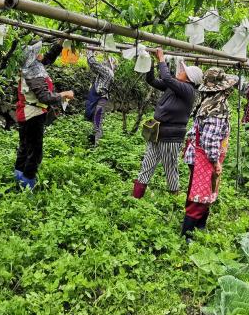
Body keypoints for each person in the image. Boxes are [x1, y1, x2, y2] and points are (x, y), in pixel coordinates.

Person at [133, 48, 203, 198]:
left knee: (170, 168)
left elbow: (167, 78)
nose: (180, 71)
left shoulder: (188, 90)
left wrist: (161, 58)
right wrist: (150, 63)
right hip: (157, 131)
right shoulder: (175, 86)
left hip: (171, 135)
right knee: (147, 163)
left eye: (184, 71)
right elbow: (151, 80)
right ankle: (136, 196)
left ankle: (174, 198)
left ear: (190, 78)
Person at [181, 67, 238, 241]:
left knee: (204, 193)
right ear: (223, 89)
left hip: (198, 155)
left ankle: (199, 225)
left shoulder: (209, 102)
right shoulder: (217, 108)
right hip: (204, 157)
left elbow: (195, 130)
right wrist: (215, 162)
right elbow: (210, 139)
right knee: (198, 196)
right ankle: (187, 234)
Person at [14, 40, 74, 189]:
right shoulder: (32, 72)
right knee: (34, 151)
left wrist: (59, 44)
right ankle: (27, 185)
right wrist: (63, 95)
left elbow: (47, 58)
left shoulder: (32, 66)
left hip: (27, 112)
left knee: (25, 147)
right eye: (36, 52)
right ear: (31, 56)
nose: (40, 54)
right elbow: (45, 97)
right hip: (33, 115)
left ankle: (18, 178)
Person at [85, 49, 116, 146]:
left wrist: (89, 50)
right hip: (100, 99)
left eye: (106, 61)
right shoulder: (108, 73)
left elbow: (93, 63)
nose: (103, 62)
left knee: (97, 122)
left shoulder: (107, 71)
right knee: (95, 120)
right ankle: (94, 141)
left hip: (100, 101)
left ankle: (97, 147)